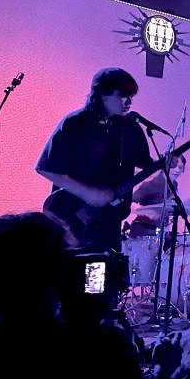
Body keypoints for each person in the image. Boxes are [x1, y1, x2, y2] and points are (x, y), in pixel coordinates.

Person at [37, 67, 154, 251]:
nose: (129, 102)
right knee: (72, 266)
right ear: (103, 95)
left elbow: (144, 162)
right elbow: (46, 167)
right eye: (123, 95)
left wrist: (168, 162)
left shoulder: (130, 127)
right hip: (73, 216)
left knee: (110, 265)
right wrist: (87, 193)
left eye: (131, 96)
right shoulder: (75, 123)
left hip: (110, 218)